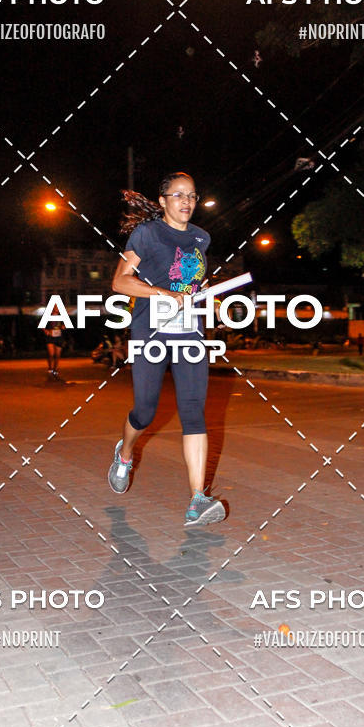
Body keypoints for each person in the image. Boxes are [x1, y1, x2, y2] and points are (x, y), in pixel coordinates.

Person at [107, 171, 226, 527]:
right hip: (151, 330)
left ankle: (197, 500)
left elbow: (191, 282)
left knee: (193, 410)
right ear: (162, 201)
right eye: (178, 195)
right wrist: (163, 294)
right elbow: (120, 282)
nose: (186, 202)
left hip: (189, 331)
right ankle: (125, 453)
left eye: (191, 195)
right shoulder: (147, 233)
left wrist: (204, 297)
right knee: (144, 410)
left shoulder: (201, 237)